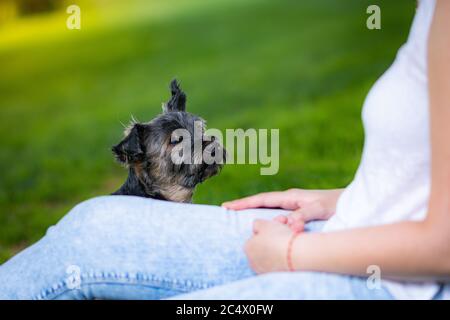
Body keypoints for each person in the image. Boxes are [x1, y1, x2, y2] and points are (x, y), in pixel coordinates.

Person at [0, 0, 448, 299]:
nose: (207, 143)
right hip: (349, 226)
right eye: (180, 142)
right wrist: (336, 199)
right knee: (87, 227)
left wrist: (292, 257)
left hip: (394, 281)